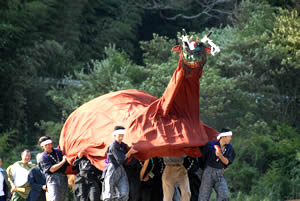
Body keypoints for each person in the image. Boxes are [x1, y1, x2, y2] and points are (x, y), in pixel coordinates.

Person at [198, 128, 236, 201]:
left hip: (220, 173)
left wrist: (220, 156)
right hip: (208, 173)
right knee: (203, 197)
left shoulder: (230, 148)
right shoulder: (210, 145)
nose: (230, 139)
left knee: (224, 195)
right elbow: (202, 157)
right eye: (229, 137)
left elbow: (227, 162)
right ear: (223, 137)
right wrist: (204, 168)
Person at [101, 126, 137, 201]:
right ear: (114, 136)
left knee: (124, 192)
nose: (121, 137)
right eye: (119, 135)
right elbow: (120, 159)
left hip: (121, 169)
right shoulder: (113, 146)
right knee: (109, 193)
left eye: (122, 135)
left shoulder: (123, 145)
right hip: (113, 168)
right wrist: (129, 153)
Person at [37, 136, 68, 201]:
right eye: (46, 145)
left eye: (49, 144)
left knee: (62, 199)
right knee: (54, 198)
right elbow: (51, 169)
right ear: (42, 147)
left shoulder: (58, 151)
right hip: (52, 179)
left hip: (63, 177)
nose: (48, 146)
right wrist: (63, 161)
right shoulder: (42, 157)